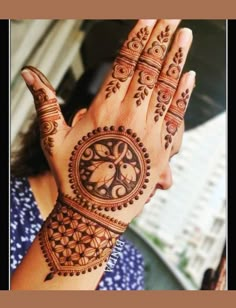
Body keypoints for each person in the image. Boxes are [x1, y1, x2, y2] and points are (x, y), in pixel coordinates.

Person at [10, 19, 195, 290]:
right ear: (83, 126)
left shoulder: (128, 261)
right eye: (160, 156)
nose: (167, 180)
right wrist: (85, 213)